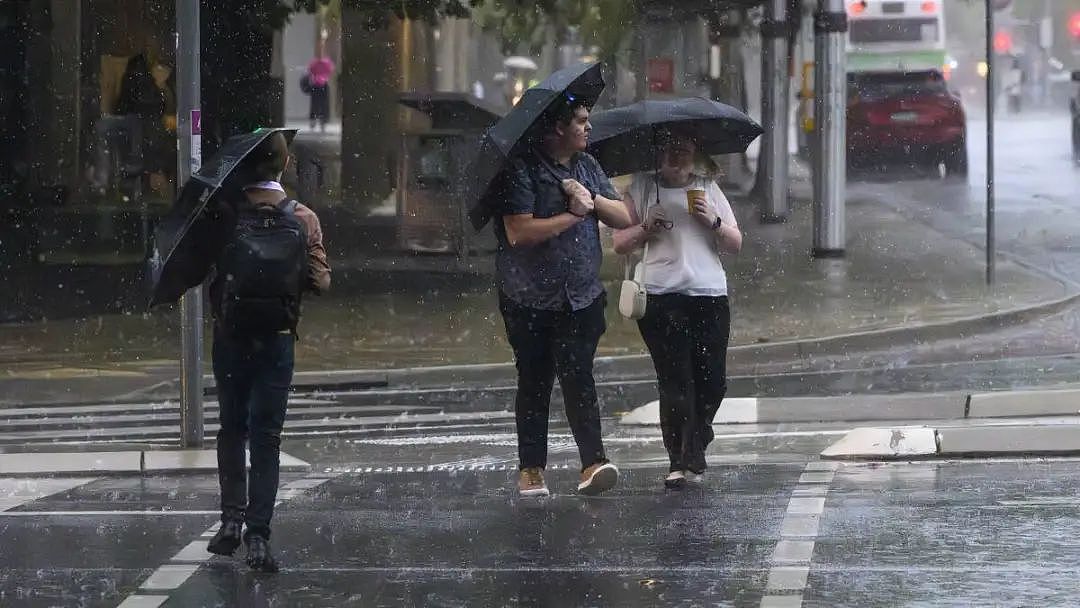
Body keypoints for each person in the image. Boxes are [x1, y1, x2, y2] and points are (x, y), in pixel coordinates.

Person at [494, 96, 634, 498]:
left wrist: (589, 201)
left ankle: (593, 461)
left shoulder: (587, 166)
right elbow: (519, 232)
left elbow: (622, 217)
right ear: (558, 128)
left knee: (578, 375)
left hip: (582, 296)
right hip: (529, 297)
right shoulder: (522, 169)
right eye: (581, 121)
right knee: (534, 381)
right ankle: (531, 469)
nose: (588, 128)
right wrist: (572, 215)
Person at [205, 132, 331, 572]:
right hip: (277, 339)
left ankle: (229, 522)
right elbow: (321, 282)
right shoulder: (302, 217)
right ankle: (259, 536)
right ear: (285, 164)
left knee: (231, 428)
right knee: (266, 438)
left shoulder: (222, 216)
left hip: (230, 336)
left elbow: (203, 271)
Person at [612, 132, 742, 489]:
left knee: (713, 381)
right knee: (675, 383)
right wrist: (644, 227)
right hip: (661, 296)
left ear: (694, 155)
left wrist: (713, 221)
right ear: (658, 153)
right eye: (669, 150)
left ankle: (697, 438)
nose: (676, 157)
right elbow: (619, 244)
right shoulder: (640, 188)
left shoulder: (708, 189)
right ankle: (678, 459)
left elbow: (735, 243)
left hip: (709, 294)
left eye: (683, 150)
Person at [305, 44, 335, 132]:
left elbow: (310, 71)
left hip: (320, 84)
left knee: (319, 104)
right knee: (319, 104)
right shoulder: (320, 63)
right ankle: (318, 121)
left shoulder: (323, 63)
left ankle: (319, 121)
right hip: (319, 85)